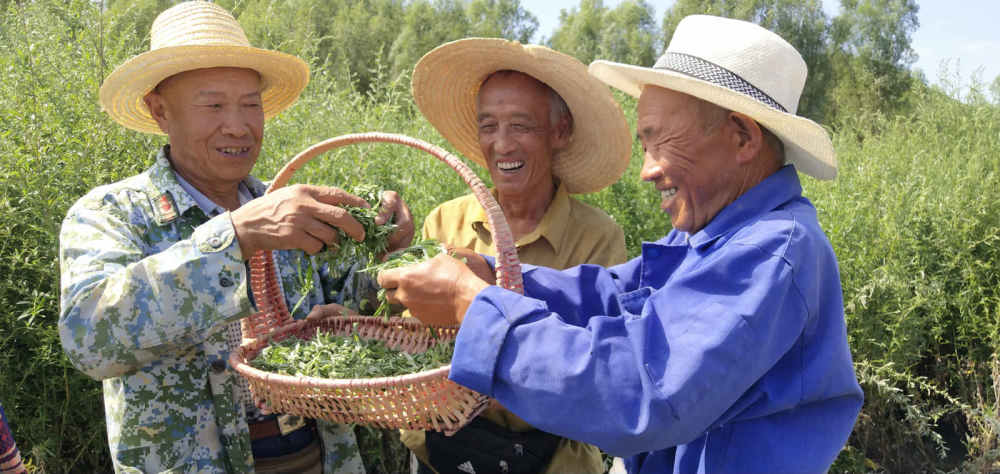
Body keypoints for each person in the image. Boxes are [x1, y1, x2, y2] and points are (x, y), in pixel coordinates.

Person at [379, 15, 863, 474]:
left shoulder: (773, 252)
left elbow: (639, 390)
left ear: (741, 138)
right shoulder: (707, 234)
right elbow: (612, 294)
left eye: (661, 142)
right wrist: (494, 276)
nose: (647, 170)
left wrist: (474, 304)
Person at [58, 2, 413, 473]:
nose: (238, 125)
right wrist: (234, 238)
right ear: (159, 111)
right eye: (213, 105)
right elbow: (89, 338)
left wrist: (387, 251)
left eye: (251, 104)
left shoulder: (291, 207)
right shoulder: (112, 214)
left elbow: (352, 306)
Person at [404, 38, 632, 474]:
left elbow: (591, 370)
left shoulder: (597, 239)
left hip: (551, 460)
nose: (502, 144)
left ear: (559, 132)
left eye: (521, 126)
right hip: (441, 455)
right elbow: (414, 346)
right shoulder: (444, 223)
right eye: (488, 126)